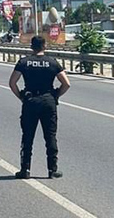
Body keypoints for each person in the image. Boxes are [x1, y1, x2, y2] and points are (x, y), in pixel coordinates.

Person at [8, 36, 70, 179]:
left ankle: (25, 170)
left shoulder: (24, 62)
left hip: (30, 101)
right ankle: (52, 170)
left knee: (27, 136)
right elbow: (66, 84)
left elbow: (12, 83)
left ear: (31, 47)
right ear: (44, 46)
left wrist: (21, 97)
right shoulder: (52, 62)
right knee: (50, 136)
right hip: (48, 101)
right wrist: (55, 95)